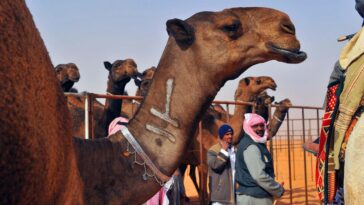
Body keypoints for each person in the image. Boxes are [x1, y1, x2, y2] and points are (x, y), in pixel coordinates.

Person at [235, 113, 284, 205]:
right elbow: (259, 176)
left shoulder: (255, 143)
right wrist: (278, 189)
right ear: (248, 127)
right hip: (256, 198)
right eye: (255, 126)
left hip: (253, 196)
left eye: (261, 125)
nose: (260, 128)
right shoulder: (251, 146)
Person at [207, 124, 236, 205]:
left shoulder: (235, 150)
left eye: (231, 134)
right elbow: (215, 166)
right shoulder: (213, 151)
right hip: (220, 197)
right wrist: (223, 151)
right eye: (227, 134)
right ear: (221, 135)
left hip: (234, 194)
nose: (230, 136)